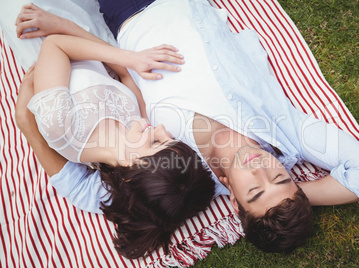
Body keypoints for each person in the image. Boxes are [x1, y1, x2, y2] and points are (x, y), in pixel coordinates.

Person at [15, 0, 359, 257]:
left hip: (131, 14)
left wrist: (28, 129)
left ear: (232, 199)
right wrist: (291, 198)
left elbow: (89, 192)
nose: (260, 166)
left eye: (255, 189)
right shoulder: (287, 133)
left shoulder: (182, 176)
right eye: (279, 178)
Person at [16, 13, 215, 258]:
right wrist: (125, 58)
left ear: (131, 174)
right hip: (93, 37)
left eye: (156, 142)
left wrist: (65, 26)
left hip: (42, 31)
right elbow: (126, 74)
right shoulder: (137, 126)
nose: (162, 129)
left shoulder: (60, 126)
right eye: (170, 138)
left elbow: (54, 45)